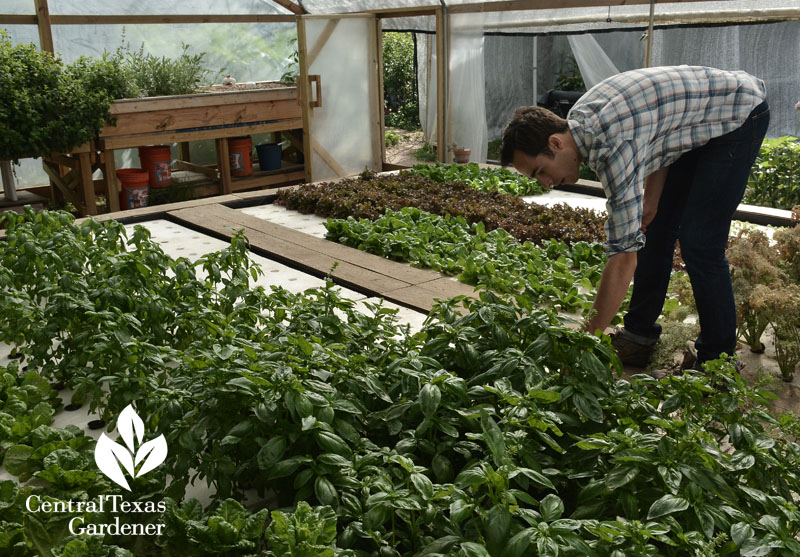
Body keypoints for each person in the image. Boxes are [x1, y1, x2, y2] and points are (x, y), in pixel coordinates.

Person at [500, 65, 769, 371]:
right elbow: (658, 136)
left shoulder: (613, 146)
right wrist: (651, 201)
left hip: (738, 112)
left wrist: (586, 340)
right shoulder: (581, 121)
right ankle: (640, 336)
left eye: (540, 172)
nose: (545, 184)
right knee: (653, 226)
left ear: (555, 143)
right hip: (694, 120)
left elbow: (624, 259)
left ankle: (717, 361)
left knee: (700, 242)